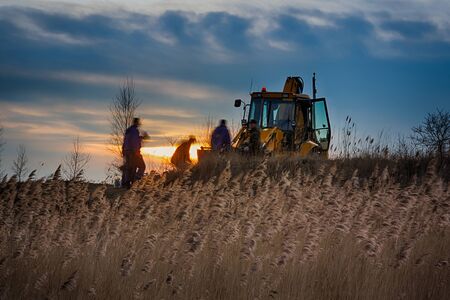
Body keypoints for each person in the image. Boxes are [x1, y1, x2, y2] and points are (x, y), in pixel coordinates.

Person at [121, 118, 146, 188]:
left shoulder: (128, 131)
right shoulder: (134, 131)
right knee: (142, 166)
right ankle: (135, 181)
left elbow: (126, 141)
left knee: (129, 167)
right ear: (137, 123)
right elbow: (135, 142)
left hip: (126, 152)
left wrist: (123, 151)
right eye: (138, 123)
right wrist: (137, 153)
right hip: (133, 152)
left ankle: (126, 183)